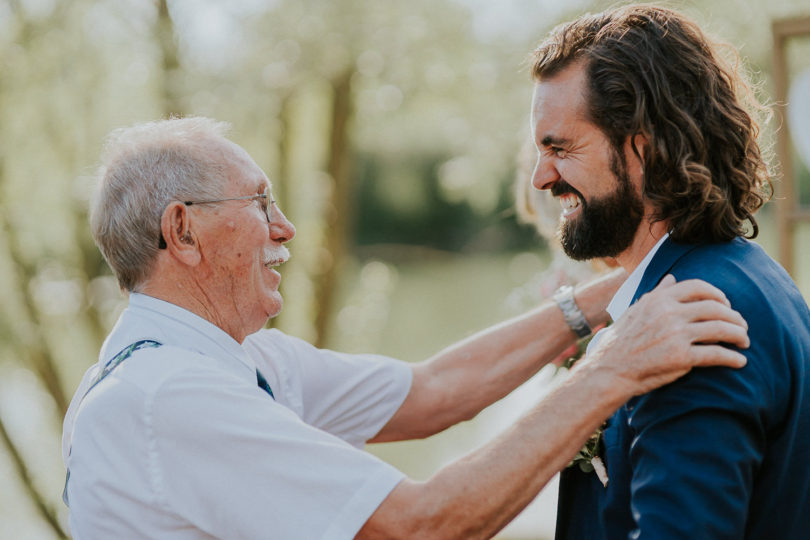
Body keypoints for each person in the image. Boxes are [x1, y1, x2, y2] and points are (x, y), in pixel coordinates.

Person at [62, 116, 749, 540]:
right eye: (260, 202)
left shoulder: (233, 359)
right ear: (182, 230)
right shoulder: (168, 398)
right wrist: (613, 370)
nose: (286, 227)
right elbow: (422, 526)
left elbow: (434, 391)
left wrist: (607, 296)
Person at [528, 5, 810, 539]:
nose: (542, 177)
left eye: (560, 148)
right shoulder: (746, 273)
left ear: (643, 146)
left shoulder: (691, 322)